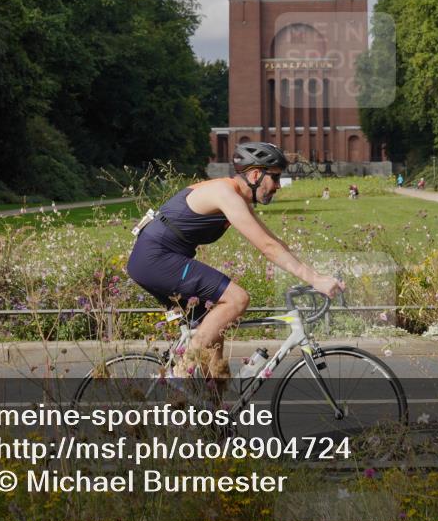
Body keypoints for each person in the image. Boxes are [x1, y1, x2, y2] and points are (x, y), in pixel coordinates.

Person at [126, 141, 344, 381]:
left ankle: (214, 402)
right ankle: (179, 373)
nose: (278, 186)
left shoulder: (236, 198)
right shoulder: (225, 194)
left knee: (214, 342)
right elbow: (267, 248)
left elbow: (274, 241)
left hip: (157, 258)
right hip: (156, 257)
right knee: (237, 299)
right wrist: (315, 280)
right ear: (255, 175)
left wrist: (316, 276)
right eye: (275, 177)